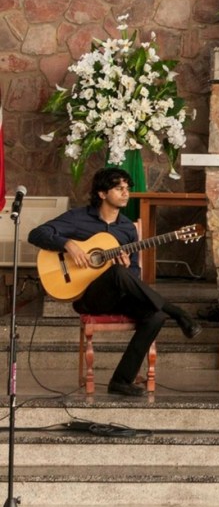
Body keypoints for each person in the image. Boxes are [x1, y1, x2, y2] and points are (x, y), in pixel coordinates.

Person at [28, 167, 202, 397]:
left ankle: (121, 381)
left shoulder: (127, 228)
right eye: (119, 189)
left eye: (127, 188)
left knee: (156, 316)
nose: (126, 193)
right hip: (89, 297)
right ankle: (177, 312)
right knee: (118, 272)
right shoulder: (78, 218)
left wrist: (128, 267)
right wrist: (68, 244)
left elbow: (134, 275)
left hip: (118, 295)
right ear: (102, 193)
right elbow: (36, 234)